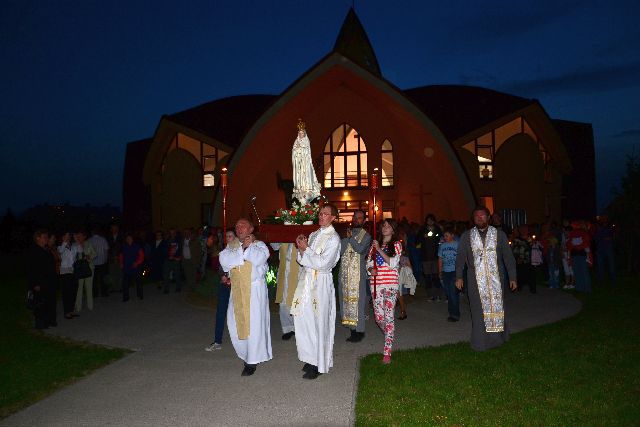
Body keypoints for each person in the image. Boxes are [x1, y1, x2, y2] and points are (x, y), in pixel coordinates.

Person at [455, 206, 517, 351]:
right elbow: (460, 257)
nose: (479, 218)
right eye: (476, 216)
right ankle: (480, 342)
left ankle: (498, 338)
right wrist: (459, 276)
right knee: (478, 309)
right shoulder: (467, 236)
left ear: (488, 217)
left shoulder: (499, 235)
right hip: (474, 278)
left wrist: (512, 277)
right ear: (473, 219)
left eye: (482, 215)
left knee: (497, 306)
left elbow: (508, 257)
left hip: (496, 278)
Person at [291, 203, 341, 379]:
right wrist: (301, 247)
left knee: (319, 322)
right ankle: (310, 357)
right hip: (306, 281)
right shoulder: (313, 234)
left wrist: (306, 249)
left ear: (333, 217)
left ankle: (320, 363)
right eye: (320, 213)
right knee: (304, 319)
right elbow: (302, 259)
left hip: (321, 283)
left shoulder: (334, 238)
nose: (321, 216)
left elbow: (323, 264)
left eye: (325, 214)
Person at [219, 219, 272, 376]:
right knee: (235, 323)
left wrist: (246, 250)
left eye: (243, 226)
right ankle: (245, 353)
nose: (239, 228)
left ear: (251, 229)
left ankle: (252, 360)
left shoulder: (259, 245)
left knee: (254, 325)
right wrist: (243, 249)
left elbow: (259, 259)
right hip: (237, 290)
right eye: (237, 226)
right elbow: (224, 261)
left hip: (254, 291)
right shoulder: (232, 246)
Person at [367, 218, 403, 364]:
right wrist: (371, 269)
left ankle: (387, 351)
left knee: (389, 317)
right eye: (383, 226)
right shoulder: (374, 245)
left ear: (393, 230)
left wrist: (380, 249)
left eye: (388, 226)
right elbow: (368, 263)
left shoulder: (396, 244)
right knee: (379, 318)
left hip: (390, 285)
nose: (384, 228)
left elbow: (393, 263)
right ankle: (390, 333)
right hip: (376, 285)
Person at [338, 210, 372, 343]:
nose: (357, 219)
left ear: (364, 220)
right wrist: (346, 238)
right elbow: (340, 252)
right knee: (345, 302)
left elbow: (360, 249)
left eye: (360, 218)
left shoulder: (366, 236)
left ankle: (359, 331)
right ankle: (352, 329)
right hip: (345, 275)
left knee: (358, 302)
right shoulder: (346, 233)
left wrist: (350, 238)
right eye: (355, 217)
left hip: (358, 276)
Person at [205, 229, 237, 351]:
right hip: (225, 286)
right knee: (220, 313)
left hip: (236, 287)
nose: (228, 238)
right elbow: (219, 267)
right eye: (227, 236)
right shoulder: (224, 251)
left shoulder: (241, 250)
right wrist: (222, 275)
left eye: (231, 236)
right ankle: (217, 341)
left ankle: (242, 342)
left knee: (237, 314)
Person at [28, 230, 58, 329]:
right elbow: (32, 269)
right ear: (38, 238)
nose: (47, 239)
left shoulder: (46, 250)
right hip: (40, 282)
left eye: (47, 237)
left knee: (49, 301)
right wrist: (35, 284)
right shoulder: (34, 251)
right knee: (40, 303)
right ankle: (40, 323)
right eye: (44, 237)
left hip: (49, 281)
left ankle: (49, 320)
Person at [270, 241, 299, 341]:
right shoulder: (283, 238)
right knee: (283, 302)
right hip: (284, 272)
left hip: (297, 273)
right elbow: (274, 246)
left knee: (296, 301)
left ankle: (298, 328)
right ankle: (288, 329)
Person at [291, 119, 321, 205]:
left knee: (306, 178)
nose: (301, 135)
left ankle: (308, 191)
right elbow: (293, 152)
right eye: (300, 133)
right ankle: (300, 192)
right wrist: (297, 150)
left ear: (304, 134)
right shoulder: (296, 142)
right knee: (299, 178)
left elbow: (307, 153)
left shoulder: (306, 142)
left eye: (302, 133)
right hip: (299, 165)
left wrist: (301, 149)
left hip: (305, 164)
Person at [419, 214, 443, 301]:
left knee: (436, 276)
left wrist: (436, 236)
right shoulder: (422, 230)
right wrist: (423, 237)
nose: (429, 222)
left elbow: (441, 239)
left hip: (436, 257)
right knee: (428, 277)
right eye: (428, 220)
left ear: (434, 221)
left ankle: (438, 295)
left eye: (431, 220)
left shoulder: (437, 229)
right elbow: (417, 241)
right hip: (426, 257)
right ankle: (430, 295)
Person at [438, 228, 460, 322]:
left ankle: (455, 315)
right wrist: (440, 271)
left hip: (455, 271)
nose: (445, 237)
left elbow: (462, 257)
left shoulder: (458, 244)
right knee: (448, 292)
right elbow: (440, 259)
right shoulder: (442, 246)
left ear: (452, 235)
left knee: (452, 293)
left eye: (447, 235)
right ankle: (452, 312)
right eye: (444, 236)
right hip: (445, 271)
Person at [74, 230, 96, 313]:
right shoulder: (74, 245)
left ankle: (90, 306)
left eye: (80, 236)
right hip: (79, 269)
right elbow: (72, 257)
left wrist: (89, 257)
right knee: (79, 288)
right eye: (77, 236)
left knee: (89, 287)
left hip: (89, 268)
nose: (79, 237)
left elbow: (95, 253)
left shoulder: (89, 244)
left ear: (84, 236)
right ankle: (78, 306)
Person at [58, 232, 78, 319]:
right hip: (65, 272)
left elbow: (81, 250)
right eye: (66, 236)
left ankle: (71, 310)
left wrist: (76, 240)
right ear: (62, 237)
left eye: (69, 236)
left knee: (73, 292)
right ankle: (67, 312)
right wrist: (64, 242)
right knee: (66, 292)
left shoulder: (73, 247)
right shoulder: (60, 247)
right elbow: (60, 251)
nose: (68, 237)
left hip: (73, 271)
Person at [567, 221, 592, 293]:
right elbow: (569, 243)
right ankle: (580, 288)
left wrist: (576, 246)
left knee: (582, 272)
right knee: (578, 271)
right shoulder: (573, 233)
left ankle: (586, 288)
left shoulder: (584, 233)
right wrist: (575, 246)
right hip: (575, 255)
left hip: (581, 255)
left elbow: (586, 243)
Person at [120, 233, 145, 301]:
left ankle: (140, 295)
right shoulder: (124, 246)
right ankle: (125, 297)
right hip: (126, 267)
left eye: (130, 238)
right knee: (125, 283)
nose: (128, 240)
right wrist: (121, 263)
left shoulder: (137, 246)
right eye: (127, 239)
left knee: (138, 282)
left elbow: (142, 256)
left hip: (135, 267)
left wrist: (137, 262)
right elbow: (121, 256)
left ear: (132, 239)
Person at [88, 227, 109, 298]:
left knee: (94, 279)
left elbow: (88, 252)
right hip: (102, 262)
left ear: (92, 233)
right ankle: (104, 293)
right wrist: (106, 259)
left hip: (93, 262)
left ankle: (95, 293)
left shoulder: (89, 240)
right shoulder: (103, 239)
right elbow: (106, 250)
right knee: (103, 278)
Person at [163, 229, 183, 293]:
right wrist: (167, 256)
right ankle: (166, 289)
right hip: (167, 260)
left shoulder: (178, 240)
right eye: (171, 233)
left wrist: (178, 257)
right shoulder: (166, 240)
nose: (172, 234)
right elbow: (164, 250)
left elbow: (180, 250)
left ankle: (178, 287)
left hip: (175, 260)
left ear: (175, 233)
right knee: (166, 275)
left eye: (173, 233)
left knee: (177, 274)